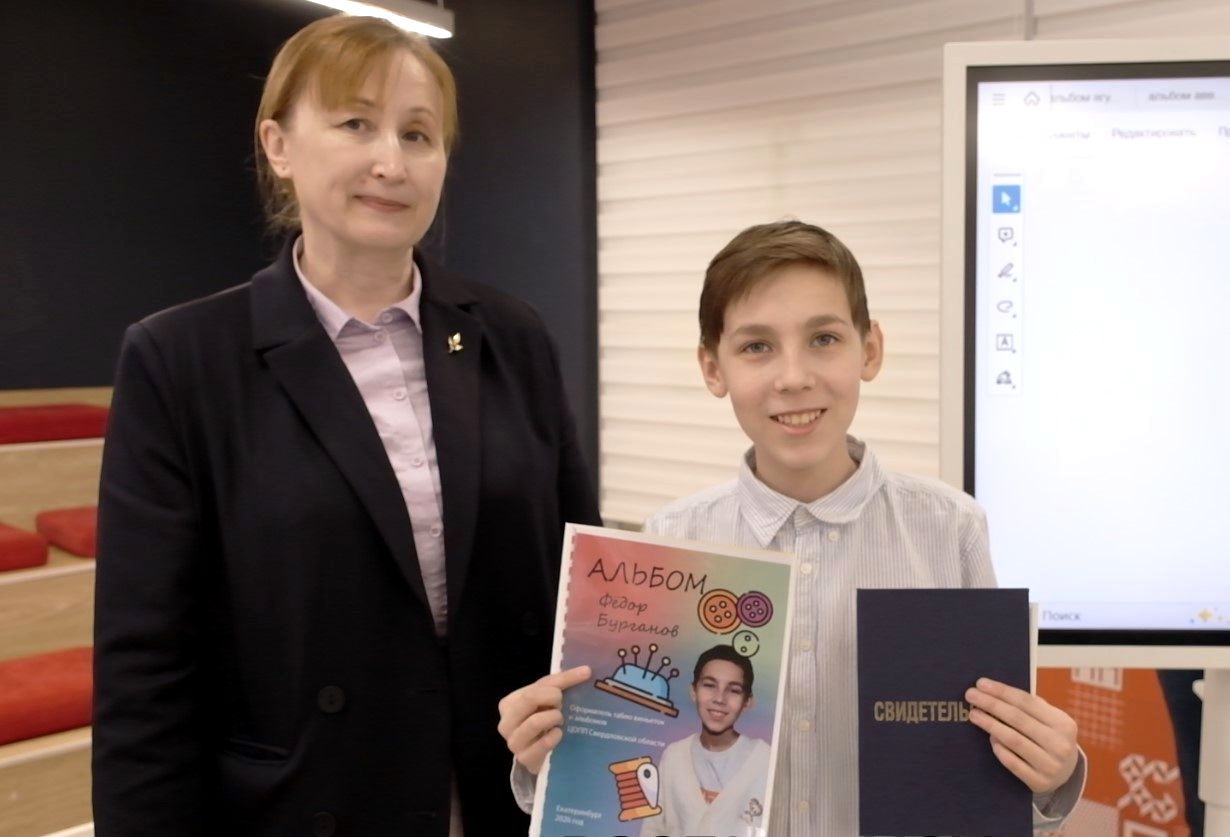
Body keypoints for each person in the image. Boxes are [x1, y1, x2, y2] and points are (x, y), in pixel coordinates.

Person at [92, 15, 599, 837]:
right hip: (307, 803)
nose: (390, 162)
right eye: (356, 123)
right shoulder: (180, 359)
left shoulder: (512, 335)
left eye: (418, 134)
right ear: (278, 145)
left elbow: (584, 589)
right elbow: (144, 671)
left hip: (510, 794)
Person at [498, 221, 1085, 835]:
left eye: (824, 338)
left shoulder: (949, 529)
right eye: (757, 346)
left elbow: (984, 776)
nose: (794, 377)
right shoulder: (671, 539)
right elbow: (628, 787)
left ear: (870, 350)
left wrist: (1049, 776)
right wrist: (548, 761)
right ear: (712, 368)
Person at [638, 645, 771, 837]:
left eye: (734, 690)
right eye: (709, 685)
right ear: (693, 691)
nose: (719, 698)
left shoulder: (765, 759)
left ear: (747, 701)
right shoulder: (674, 755)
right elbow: (652, 828)